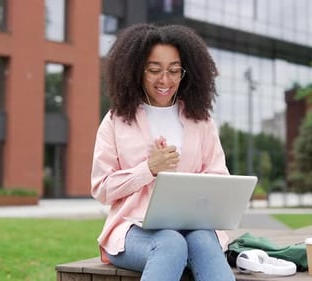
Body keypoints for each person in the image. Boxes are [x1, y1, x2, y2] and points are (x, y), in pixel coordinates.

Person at [90, 23, 235, 281]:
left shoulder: (201, 121)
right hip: (132, 231)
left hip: (192, 228)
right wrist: (148, 169)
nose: (165, 80)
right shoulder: (116, 120)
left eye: (174, 70)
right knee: (170, 243)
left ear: (185, 72)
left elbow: (218, 178)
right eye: (154, 70)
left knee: (204, 239)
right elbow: (101, 188)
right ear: (137, 71)